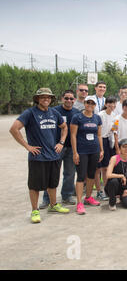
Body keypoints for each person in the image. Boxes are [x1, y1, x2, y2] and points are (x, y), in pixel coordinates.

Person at [10, 88, 70, 223]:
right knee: (35, 186)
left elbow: (64, 127)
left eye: (48, 97)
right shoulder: (30, 113)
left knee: (53, 183)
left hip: (54, 155)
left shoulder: (54, 113)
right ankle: (35, 210)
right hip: (38, 157)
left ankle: (53, 205)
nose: (46, 99)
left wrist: (61, 142)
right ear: (37, 99)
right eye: (42, 97)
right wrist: (27, 146)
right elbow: (14, 129)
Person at [41, 90, 80, 208]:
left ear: (74, 100)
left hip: (71, 147)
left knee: (70, 173)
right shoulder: (54, 111)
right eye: (66, 98)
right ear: (62, 99)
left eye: (71, 98)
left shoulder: (77, 113)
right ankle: (47, 199)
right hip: (56, 147)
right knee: (52, 173)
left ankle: (67, 195)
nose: (69, 100)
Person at [70, 95, 104, 215]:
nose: (90, 105)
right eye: (88, 103)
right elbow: (73, 135)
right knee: (81, 176)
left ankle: (88, 197)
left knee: (91, 175)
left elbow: (99, 135)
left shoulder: (97, 118)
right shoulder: (77, 117)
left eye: (92, 103)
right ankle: (79, 202)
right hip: (82, 150)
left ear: (95, 105)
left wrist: (101, 150)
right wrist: (75, 152)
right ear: (84, 103)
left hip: (94, 150)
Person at [104, 139, 127, 210]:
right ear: (120, 148)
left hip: (125, 186)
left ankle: (121, 197)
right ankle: (112, 201)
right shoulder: (114, 158)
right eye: (124, 147)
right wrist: (121, 176)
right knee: (114, 181)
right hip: (113, 185)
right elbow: (108, 175)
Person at [97, 96, 117, 201]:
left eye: (114, 103)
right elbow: (98, 133)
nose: (112, 105)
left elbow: (112, 131)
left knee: (105, 168)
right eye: (110, 103)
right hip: (99, 140)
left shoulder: (114, 115)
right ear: (106, 104)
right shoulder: (100, 115)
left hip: (108, 142)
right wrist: (101, 148)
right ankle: (99, 191)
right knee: (98, 169)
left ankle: (105, 189)